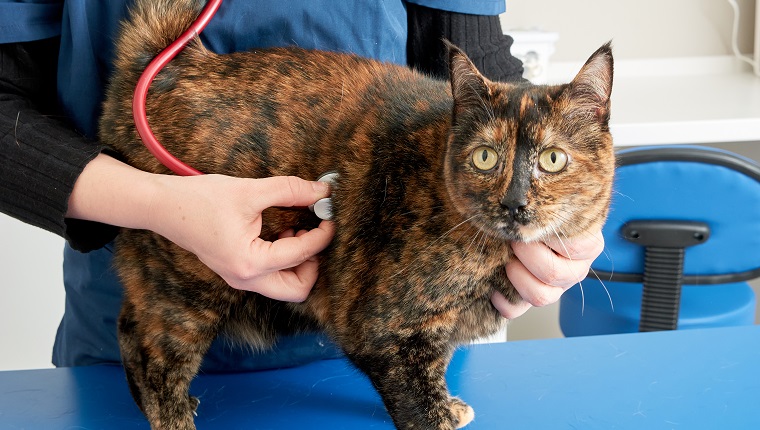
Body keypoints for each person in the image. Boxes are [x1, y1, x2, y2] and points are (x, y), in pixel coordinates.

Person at [0, 0, 604, 371]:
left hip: (394, 332)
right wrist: (154, 205)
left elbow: (479, 82)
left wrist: (563, 227)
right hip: (147, 310)